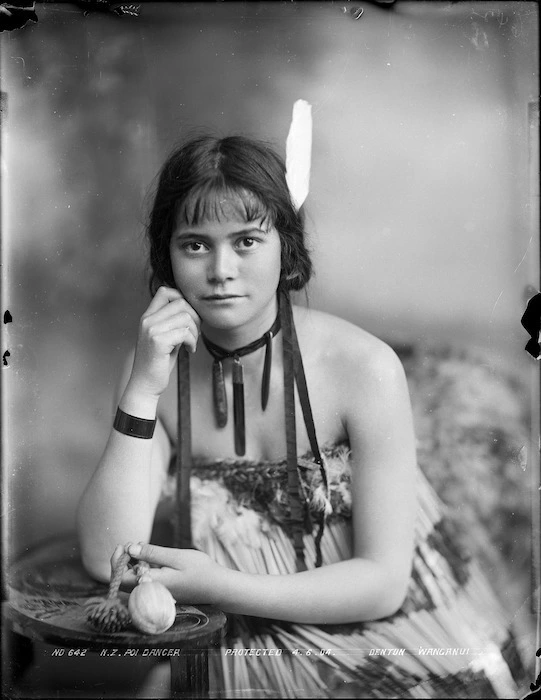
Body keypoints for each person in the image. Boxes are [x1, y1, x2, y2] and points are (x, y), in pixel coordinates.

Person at [77, 115, 525, 698]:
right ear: (167, 257)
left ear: (285, 245)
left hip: (387, 640)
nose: (220, 272)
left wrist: (223, 587)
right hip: (242, 650)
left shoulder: (365, 368)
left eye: (246, 241)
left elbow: (383, 585)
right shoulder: (153, 367)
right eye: (194, 245)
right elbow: (100, 555)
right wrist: (142, 390)